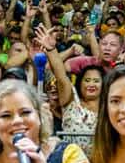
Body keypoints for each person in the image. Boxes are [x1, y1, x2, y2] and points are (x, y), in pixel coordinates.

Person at [36, 25, 101, 154]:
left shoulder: (109, 107)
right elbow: (61, 76)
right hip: (71, 161)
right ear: (80, 83)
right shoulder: (72, 101)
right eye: (87, 80)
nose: (91, 84)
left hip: (102, 161)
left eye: (96, 81)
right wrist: (51, 50)